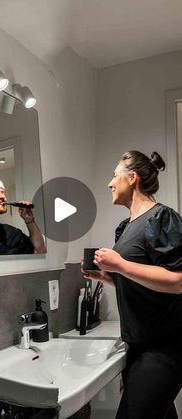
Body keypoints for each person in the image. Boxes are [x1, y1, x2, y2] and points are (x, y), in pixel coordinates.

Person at [83, 150, 182, 419]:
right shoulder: (125, 226)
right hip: (137, 345)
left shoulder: (162, 218)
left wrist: (121, 266)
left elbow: (178, 281)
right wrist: (108, 277)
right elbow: (142, 280)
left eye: (115, 175)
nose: (110, 183)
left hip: (165, 347)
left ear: (133, 178)